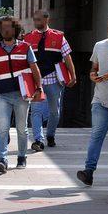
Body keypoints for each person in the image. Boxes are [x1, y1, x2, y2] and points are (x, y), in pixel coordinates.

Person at [77, 15, 108, 186]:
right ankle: (88, 171)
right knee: (96, 136)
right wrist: (92, 76)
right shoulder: (99, 46)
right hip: (101, 100)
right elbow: (94, 68)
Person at [0, 16, 42, 173]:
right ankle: (2, 160)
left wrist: (39, 88)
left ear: (15, 29)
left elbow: (34, 69)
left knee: (21, 129)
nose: (6, 29)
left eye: (9, 27)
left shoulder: (25, 47)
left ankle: (21, 157)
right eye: (3, 27)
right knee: (3, 128)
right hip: (2, 95)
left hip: (21, 95)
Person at [24, 10, 77, 151]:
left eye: (39, 20)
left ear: (47, 19)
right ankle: (38, 140)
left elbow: (67, 57)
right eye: (34, 20)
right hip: (36, 81)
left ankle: (51, 135)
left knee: (55, 112)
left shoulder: (59, 37)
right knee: (36, 111)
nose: (36, 22)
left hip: (54, 81)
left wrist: (73, 75)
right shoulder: (28, 38)